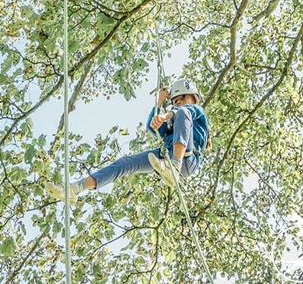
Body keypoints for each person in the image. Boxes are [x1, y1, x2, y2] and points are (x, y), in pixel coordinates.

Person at [46, 79, 210, 205]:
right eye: (174, 101)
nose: (178, 103)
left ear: (194, 99)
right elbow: (152, 128)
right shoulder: (173, 122)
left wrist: (166, 115)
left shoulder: (197, 112)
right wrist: (159, 104)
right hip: (165, 156)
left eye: (182, 98)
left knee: (181, 114)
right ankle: (75, 189)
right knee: (124, 163)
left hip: (188, 159)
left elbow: (184, 112)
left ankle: (174, 165)